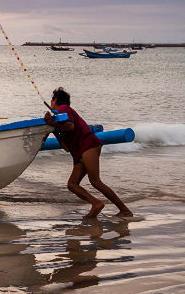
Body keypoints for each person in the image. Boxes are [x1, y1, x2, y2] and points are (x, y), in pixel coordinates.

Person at [44, 87, 133, 218]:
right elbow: (66, 148)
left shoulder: (63, 108)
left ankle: (124, 210)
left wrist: (52, 122)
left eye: (52, 100)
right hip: (79, 152)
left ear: (55, 100)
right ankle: (96, 203)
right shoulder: (59, 119)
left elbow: (71, 126)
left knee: (95, 181)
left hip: (88, 145)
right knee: (72, 185)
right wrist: (53, 130)